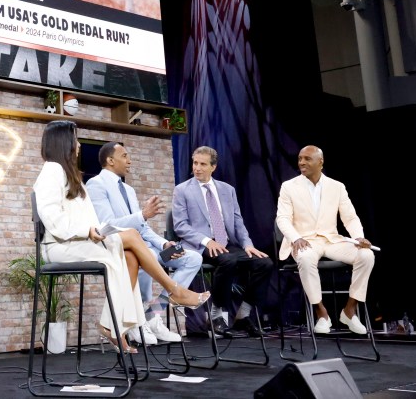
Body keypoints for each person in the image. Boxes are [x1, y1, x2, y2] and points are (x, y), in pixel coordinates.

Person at [33, 120, 210, 353]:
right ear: (63, 142)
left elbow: (94, 221)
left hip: (84, 240)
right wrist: (89, 231)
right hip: (61, 245)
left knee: (132, 257)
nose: (78, 145)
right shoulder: (53, 171)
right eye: (75, 139)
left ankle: (114, 326)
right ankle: (172, 291)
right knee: (133, 237)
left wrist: (160, 241)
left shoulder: (76, 176)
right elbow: (52, 218)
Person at [87, 141, 202, 344]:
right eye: (124, 156)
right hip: (118, 247)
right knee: (140, 257)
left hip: (142, 245)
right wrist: (142, 214)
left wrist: (164, 244)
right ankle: (135, 323)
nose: (129, 160)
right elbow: (107, 225)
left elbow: (142, 227)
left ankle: (152, 315)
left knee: (193, 258)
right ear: (110, 160)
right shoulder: (96, 184)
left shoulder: (129, 190)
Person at [172, 145, 273, 338]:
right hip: (200, 245)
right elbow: (180, 226)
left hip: (226, 243)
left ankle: (243, 315)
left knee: (264, 263)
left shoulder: (227, 190)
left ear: (213, 167)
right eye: (195, 163)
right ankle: (216, 316)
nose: (197, 168)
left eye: (203, 164)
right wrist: (206, 241)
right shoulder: (182, 190)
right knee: (228, 260)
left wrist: (248, 245)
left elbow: (237, 221)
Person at [276, 145, 375, 335]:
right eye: (300, 159)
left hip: (331, 240)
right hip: (305, 240)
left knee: (366, 255)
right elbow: (282, 218)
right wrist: (295, 238)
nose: (302, 162)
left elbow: (350, 217)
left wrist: (358, 237)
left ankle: (350, 309)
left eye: (307, 159)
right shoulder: (289, 187)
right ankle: (321, 313)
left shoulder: (337, 187)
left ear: (320, 162)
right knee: (305, 258)